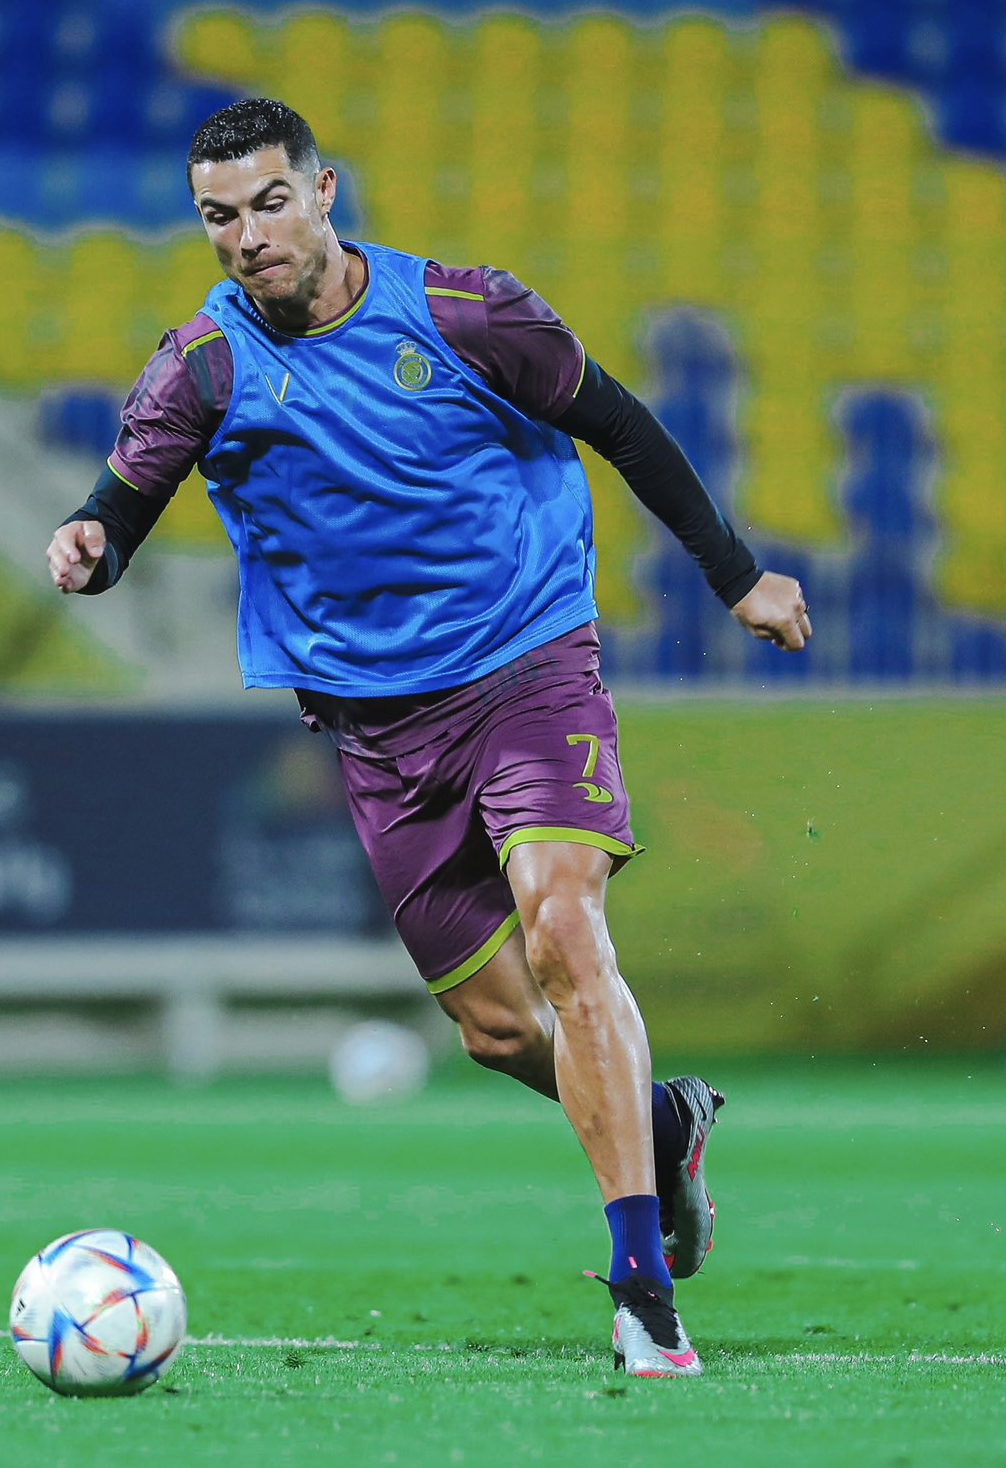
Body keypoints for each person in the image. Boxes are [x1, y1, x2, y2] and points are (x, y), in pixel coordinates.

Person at [45, 98, 811, 1378]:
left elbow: (617, 423)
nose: (246, 236)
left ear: (325, 189)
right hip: (373, 728)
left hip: (526, 668)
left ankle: (641, 1289)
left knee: (566, 927)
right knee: (502, 1032)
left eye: (269, 202)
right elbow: (123, 499)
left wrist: (736, 578)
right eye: (218, 217)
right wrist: (90, 540)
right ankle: (664, 1126)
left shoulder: (466, 314)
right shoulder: (204, 366)